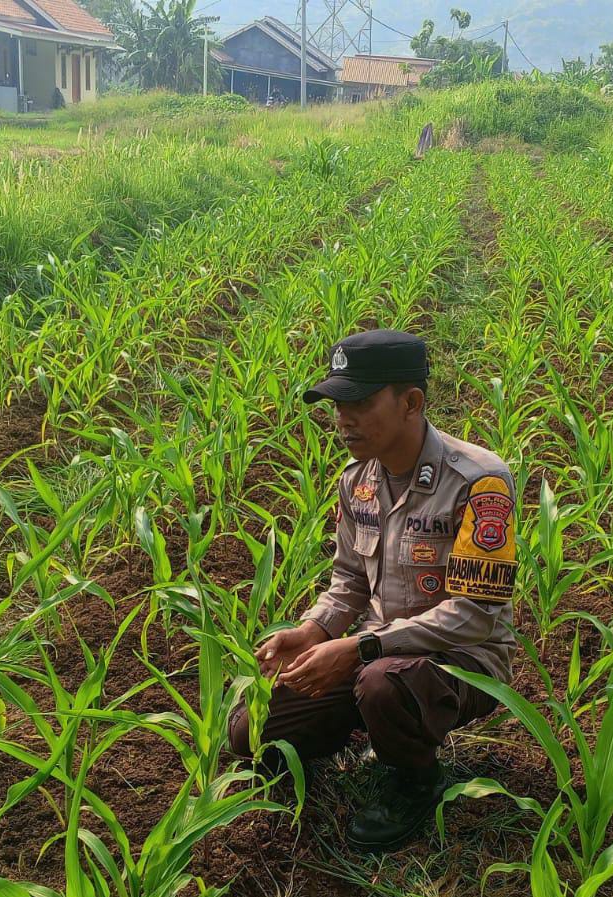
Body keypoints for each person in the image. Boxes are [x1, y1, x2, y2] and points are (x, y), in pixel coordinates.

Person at [227, 329, 518, 852]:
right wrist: (313, 631)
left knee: (382, 684)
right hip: (375, 653)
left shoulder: (479, 481)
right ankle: (357, 723)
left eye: (359, 402)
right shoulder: (356, 481)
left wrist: (361, 648)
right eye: (337, 404)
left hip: (462, 658)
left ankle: (415, 778)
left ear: (411, 403)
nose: (343, 419)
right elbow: (350, 581)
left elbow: (476, 614)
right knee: (250, 732)